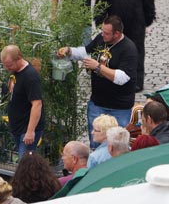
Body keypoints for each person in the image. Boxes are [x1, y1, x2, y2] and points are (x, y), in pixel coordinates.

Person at [57, 16, 137, 146]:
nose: (102, 34)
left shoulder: (129, 49)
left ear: (117, 34)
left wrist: (98, 67)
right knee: (96, 143)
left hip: (119, 108)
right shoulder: (101, 39)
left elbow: (122, 78)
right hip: (97, 104)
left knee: (118, 146)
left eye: (106, 33)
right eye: (102, 31)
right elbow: (86, 52)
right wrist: (70, 51)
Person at [95, 0, 155, 91]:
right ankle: (111, 76)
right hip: (115, 24)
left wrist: (147, 20)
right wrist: (100, 19)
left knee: (137, 52)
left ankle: (136, 81)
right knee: (113, 51)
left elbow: (148, 1)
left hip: (136, 24)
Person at [1, 45, 44, 158]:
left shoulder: (30, 76)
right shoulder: (14, 71)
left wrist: (30, 131)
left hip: (26, 129)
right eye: (4, 65)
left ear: (18, 58)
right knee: (26, 165)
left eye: (9, 65)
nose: (6, 68)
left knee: (24, 164)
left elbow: (37, 104)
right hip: (17, 126)